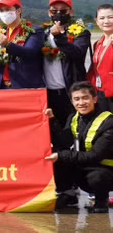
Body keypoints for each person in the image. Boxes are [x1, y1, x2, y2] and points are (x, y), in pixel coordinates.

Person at [47, 81, 113, 213]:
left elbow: (95, 156)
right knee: (53, 155)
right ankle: (68, 194)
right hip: (84, 166)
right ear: (72, 102)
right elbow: (64, 142)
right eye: (76, 99)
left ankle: (101, 200)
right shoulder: (73, 118)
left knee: (97, 177)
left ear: (94, 99)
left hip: (105, 171)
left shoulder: (109, 122)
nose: (81, 103)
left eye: (85, 98)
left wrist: (61, 155)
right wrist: (52, 120)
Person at [42, 0, 91, 126]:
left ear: (71, 12)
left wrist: (58, 37)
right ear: (48, 13)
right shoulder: (44, 33)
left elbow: (77, 53)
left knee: (73, 127)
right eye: (54, 11)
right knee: (52, 128)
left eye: (63, 11)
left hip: (70, 90)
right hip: (48, 91)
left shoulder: (81, 33)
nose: (58, 13)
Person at [0, 0, 44, 90]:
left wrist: (8, 45)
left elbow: (30, 52)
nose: (4, 13)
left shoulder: (33, 30)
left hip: (23, 86)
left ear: (18, 10)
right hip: (1, 86)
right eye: (1, 10)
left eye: (7, 9)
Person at [88, 4, 113, 106]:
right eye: (102, 18)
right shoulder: (97, 43)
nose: (106, 21)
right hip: (100, 93)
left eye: (111, 17)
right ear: (97, 21)